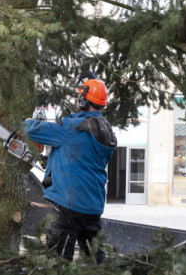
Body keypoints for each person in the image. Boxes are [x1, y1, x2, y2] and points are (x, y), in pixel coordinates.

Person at [23, 73, 117, 262]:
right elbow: (80, 158)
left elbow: (33, 129)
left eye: (79, 96)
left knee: (57, 262)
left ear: (83, 100)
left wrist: (23, 122)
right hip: (93, 207)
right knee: (97, 262)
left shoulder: (72, 126)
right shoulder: (106, 130)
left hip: (69, 206)